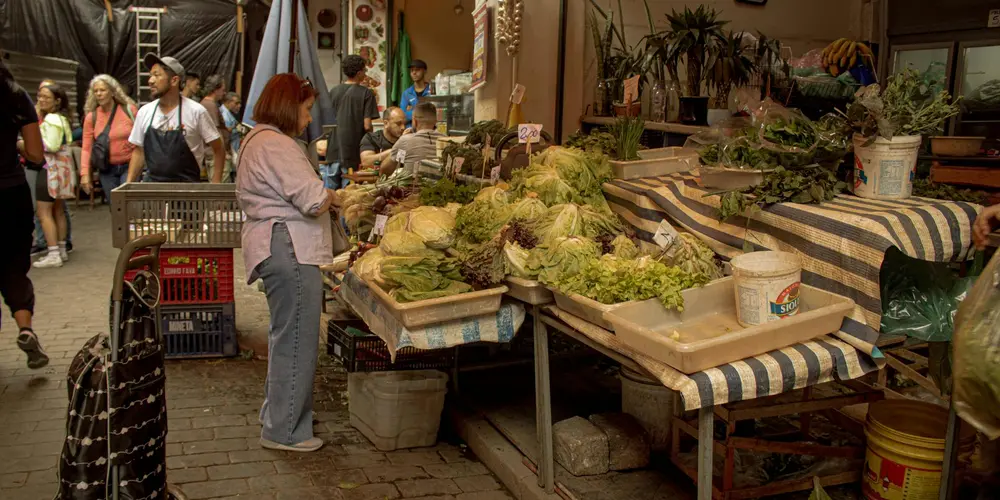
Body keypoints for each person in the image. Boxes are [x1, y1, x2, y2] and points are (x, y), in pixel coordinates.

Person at [236, 73, 339, 452]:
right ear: (288, 105)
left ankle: (278, 416)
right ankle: (286, 432)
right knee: (297, 338)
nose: (309, 118)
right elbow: (311, 198)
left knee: (285, 337)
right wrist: (335, 197)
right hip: (288, 246)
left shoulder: (256, 139)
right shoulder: (276, 144)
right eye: (307, 108)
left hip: (276, 245)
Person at [2, 60, 49, 369]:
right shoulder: (16, 95)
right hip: (10, 193)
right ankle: (26, 328)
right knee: (13, 268)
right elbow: (35, 154)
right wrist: (15, 143)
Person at [127, 55, 225, 183]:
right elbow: (139, 152)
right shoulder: (144, 112)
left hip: (187, 191)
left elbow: (219, 148)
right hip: (152, 191)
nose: (150, 80)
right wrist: (128, 186)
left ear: (174, 80)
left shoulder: (196, 112)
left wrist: (216, 183)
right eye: (150, 75)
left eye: (157, 75)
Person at [32, 83, 74, 269]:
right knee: (58, 209)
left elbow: (52, 145)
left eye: (46, 97)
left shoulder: (51, 119)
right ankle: (62, 249)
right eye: (40, 96)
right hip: (61, 168)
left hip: (50, 168)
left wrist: (30, 141)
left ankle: (53, 252)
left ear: (57, 101)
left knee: (44, 212)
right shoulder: (62, 119)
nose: (41, 100)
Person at [80, 74, 138, 197]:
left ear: (112, 92)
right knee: (115, 207)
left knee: (129, 204)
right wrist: (85, 174)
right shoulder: (92, 117)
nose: (99, 94)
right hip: (107, 168)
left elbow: (141, 140)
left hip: (129, 165)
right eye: (96, 91)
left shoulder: (129, 111)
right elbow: (86, 148)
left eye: (102, 90)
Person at [325, 54, 379, 188]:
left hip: (332, 151)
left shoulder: (333, 91)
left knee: (330, 195)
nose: (365, 74)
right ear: (359, 73)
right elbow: (367, 126)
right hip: (352, 153)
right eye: (365, 71)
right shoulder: (366, 93)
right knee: (348, 195)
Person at [379, 102, 442, 178]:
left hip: (413, 188)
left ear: (415, 122)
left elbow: (384, 171)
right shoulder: (446, 140)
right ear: (435, 121)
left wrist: (399, 144)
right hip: (443, 188)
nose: (403, 127)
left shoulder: (405, 140)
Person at [200, 75, 231, 182]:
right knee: (221, 191)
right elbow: (216, 132)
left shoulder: (207, 104)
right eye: (222, 90)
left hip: (212, 155)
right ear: (215, 89)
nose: (224, 93)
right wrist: (224, 153)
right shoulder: (210, 106)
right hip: (216, 156)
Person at [400, 59, 431, 128]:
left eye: (417, 70)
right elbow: (402, 117)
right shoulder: (407, 93)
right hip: (410, 132)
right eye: (412, 70)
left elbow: (435, 114)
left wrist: (412, 110)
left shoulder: (432, 91)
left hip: (428, 130)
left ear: (425, 71)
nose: (414, 73)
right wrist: (423, 112)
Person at [220, 92, 242, 181]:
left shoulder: (227, 113)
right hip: (229, 151)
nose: (239, 106)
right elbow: (226, 133)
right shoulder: (225, 115)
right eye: (236, 103)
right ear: (229, 102)